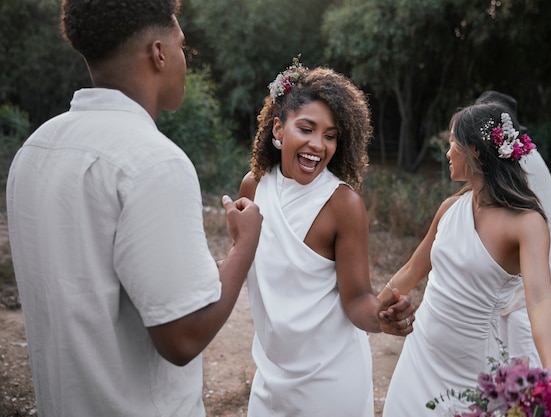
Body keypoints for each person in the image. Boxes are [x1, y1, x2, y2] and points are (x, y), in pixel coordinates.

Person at [6, 1, 262, 416]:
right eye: (182, 47)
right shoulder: (156, 163)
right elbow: (181, 338)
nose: (185, 59)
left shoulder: (35, 150)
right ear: (159, 53)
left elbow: (103, 284)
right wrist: (244, 249)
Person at [238, 58, 416, 417]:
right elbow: (246, 267)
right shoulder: (253, 187)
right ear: (277, 129)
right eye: (307, 129)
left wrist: (382, 318)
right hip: (271, 376)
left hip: (330, 382)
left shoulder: (343, 204)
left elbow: (357, 300)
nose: (318, 145)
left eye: (330, 135)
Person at [378, 102, 551, 416]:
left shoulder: (526, 223)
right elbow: (412, 269)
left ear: (475, 150)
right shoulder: (450, 208)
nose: (448, 153)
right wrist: (371, 310)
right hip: (421, 355)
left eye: (453, 144)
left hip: (472, 371)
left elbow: (541, 300)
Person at [475, 90, 551, 367]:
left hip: (530, 284)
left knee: (527, 369)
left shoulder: (517, 162)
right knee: (509, 365)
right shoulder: (521, 156)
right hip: (525, 278)